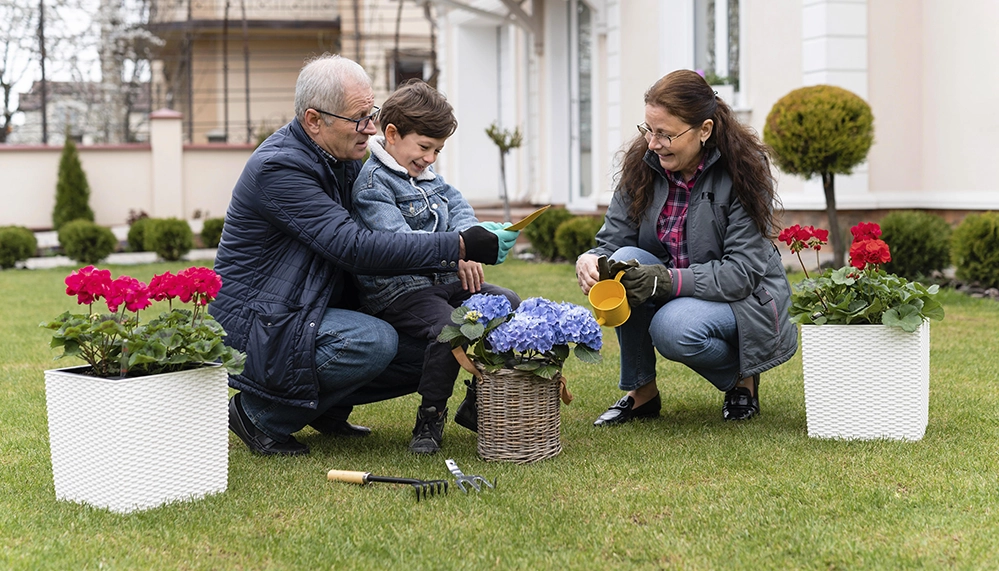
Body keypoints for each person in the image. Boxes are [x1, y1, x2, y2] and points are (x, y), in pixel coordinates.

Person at [210, 54, 519, 456]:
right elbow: (354, 247)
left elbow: (433, 199)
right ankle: (258, 415)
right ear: (314, 120)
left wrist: (459, 236)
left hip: (311, 306)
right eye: (359, 118)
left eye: (371, 113)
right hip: (267, 319)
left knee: (435, 338)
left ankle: (326, 410)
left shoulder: (346, 159)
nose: (370, 128)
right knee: (373, 340)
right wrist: (458, 246)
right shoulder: (279, 168)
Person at [575, 69, 797, 425]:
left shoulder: (744, 171)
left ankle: (742, 380)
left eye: (665, 134)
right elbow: (613, 241)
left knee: (672, 329)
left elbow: (741, 273)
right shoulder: (642, 164)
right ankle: (641, 392)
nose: (652, 143)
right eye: (649, 130)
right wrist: (591, 260)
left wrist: (663, 281)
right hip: (676, 284)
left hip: (743, 297)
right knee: (620, 262)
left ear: (704, 130)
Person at [350, 80, 520, 455]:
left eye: (437, 150)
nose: (430, 158)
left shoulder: (429, 178)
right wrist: (456, 250)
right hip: (400, 289)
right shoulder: (373, 185)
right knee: (450, 327)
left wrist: (471, 244)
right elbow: (397, 244)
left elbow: (458, 206)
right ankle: (430, 416)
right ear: (391, 134)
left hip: (441, 281)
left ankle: (479, 400)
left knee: (507, 302)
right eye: (424, 147)